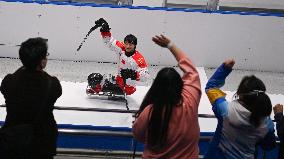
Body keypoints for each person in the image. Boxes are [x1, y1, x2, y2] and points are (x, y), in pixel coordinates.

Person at [132, 35, 202, 158]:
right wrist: (170, 45)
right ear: (180, 85)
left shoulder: (149, 112)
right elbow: (192, 71)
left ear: (156, 87)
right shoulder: (190, 100)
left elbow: (138, 135)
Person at [0, 37, 62, 159]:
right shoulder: (53, 84)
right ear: (41, 62)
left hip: (14, 142)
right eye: (45, 55)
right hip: (42, 144)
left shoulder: (9, 81)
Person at [204, 59, 276, 159]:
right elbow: (269, 145)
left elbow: (211, 87)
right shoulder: (266, 124)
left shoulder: (225, 110)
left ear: (239, 94)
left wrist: (224, 69)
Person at [87, 18, 149, 95]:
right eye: (126, 43)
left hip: (128, 87)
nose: (128, 46)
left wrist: (133, 74)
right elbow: (110, 41)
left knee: (100, 82)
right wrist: (105, 30)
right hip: (119, 80)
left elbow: (145, 76)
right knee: (97, 77)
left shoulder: (139, 59)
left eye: (131, 44)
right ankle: (102, 87)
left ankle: (98, 89)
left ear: (135, 45)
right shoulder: (121, 48)